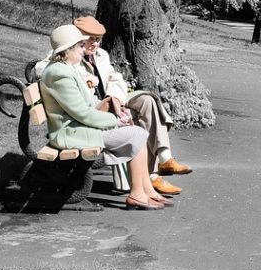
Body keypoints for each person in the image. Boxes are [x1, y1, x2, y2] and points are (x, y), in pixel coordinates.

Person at [34, 16, 191, 195]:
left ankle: (164, 158)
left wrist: (115, 97)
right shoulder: (66, 58)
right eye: (89, 39)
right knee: (134, 127)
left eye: (98, 40)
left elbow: (115, 77)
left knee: (148, 100)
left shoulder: (101, 56)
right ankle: (150, 177)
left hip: (111, 99)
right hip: (94, 108)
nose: (93, 44)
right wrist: (84, 80)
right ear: (78, 38)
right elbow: (43, 68)